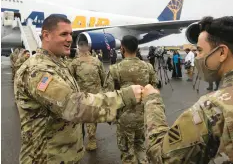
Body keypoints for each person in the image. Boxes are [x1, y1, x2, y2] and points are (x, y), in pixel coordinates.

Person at [14, 15, 143, 164]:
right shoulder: (38, 70)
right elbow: (73, 106)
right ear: (46, 35)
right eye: (64, 34)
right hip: (45, 158)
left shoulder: (57, 64)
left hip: (63, 155)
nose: (70, 39)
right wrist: (124, 96)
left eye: (70, 34)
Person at [142, 16, 233, 163]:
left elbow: (161, 156)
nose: (197, 56)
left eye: (200, 50)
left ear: (222, 53)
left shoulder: (212, 107)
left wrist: (152, 100)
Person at [104, 35, 158, 164]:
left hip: (124, 118)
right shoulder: (148, 67)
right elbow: (154, 89)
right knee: (140, 146)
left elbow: (108, 95)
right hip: (143, 116)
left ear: (122, 48)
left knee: (127, 152)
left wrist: (110, 116)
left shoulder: (115, 69)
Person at [69, 40, 106, 151]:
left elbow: (70, 79)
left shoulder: (74, 63)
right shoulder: (97, 61)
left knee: (79, 118)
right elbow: (103, 77)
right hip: (95, 95)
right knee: (91, 118)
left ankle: (81, 140)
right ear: (89, 48)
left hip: (81, 95)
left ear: (78, 49)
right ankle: (92, 140)